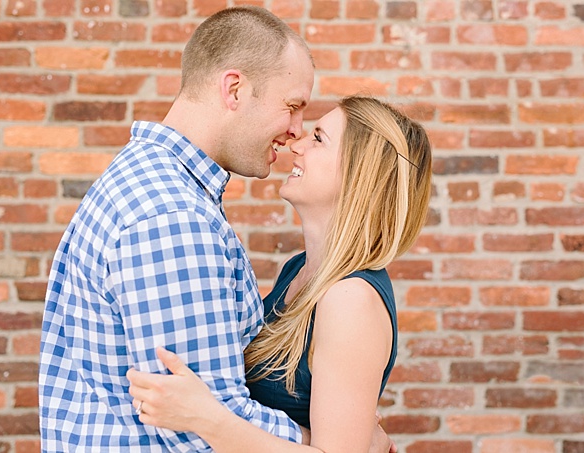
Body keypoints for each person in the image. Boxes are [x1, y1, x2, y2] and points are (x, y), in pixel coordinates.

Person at [38, 6, 318, 451]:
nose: (296, 131)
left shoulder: (152, 184)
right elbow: (199, 432)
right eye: (292, 106)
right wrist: (338, 441)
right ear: (235, 89)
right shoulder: (171, 217)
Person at [127, 95, 433, 452]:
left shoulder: (350, 300)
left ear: (359, 174)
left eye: (318, 139)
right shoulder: (298, 271)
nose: (296, 144)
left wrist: (204, 418)